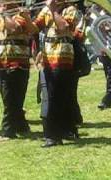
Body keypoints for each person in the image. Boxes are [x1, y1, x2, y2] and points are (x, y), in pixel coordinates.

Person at [33, 0, 83, 147]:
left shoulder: (71, 10)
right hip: (48, 60)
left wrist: (54, 10)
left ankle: (53, 136)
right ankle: (65, 131)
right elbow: (34, 28)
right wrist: (24, 17)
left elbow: (64, 27)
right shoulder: (45, 10)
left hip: (63, 59)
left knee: (55, 98)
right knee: (57, 97)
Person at [0, 1, 36, 141]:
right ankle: (22, 125)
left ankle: (8, 131)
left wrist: (4, 14)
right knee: (10, 96)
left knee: (10, 97)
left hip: (17, 63)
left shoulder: (21, 16)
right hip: (1, 63)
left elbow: (14, 29)